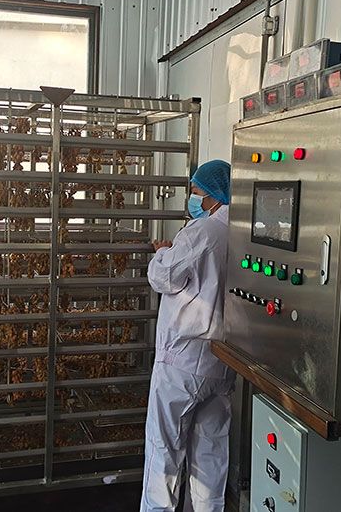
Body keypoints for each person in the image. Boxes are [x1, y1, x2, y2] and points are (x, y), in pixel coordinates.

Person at [141, 159, 234, 512]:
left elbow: (163, 277)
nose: (194, 199)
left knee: (164, 450)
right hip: (221, 363)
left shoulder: (203, 231)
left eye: (196, 191)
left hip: (182, 363)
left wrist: (163, 252)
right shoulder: (241, 231)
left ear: (213, 194)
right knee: (211, 454)